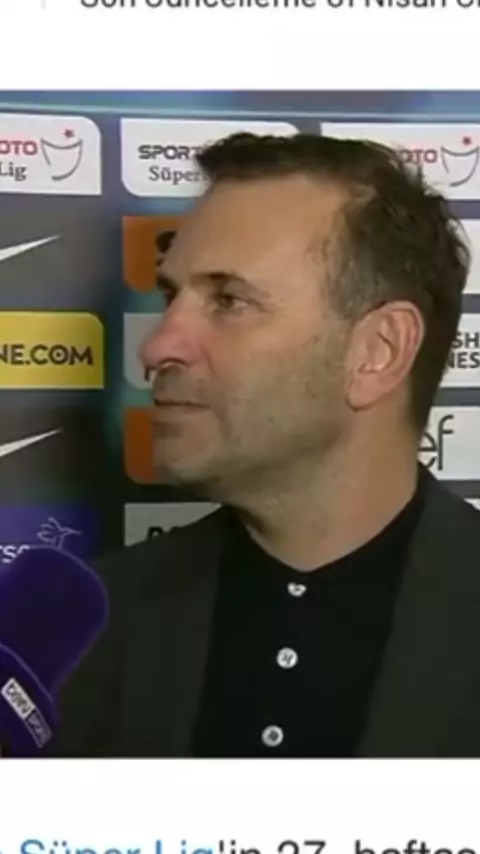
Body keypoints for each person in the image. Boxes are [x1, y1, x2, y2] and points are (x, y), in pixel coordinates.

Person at [48, 132, 480, 759]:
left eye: (229, 300)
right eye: (171, 297)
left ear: (378, 352)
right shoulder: (85, 631)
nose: (158, 346)